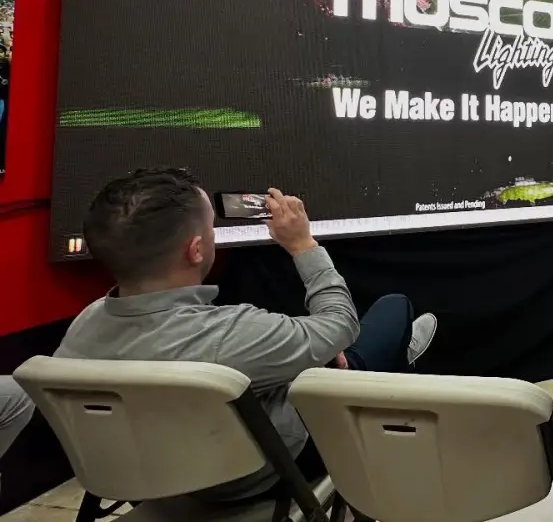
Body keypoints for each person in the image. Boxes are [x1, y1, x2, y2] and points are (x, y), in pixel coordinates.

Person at [54, 168, 438, 502]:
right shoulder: (231, 333)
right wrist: (303, 244)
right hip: (250, 477)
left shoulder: (83, 327)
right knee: (393, 310)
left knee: (319, 352)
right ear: (197, 250)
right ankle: (384, 362)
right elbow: (340, 325)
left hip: (136, 478)